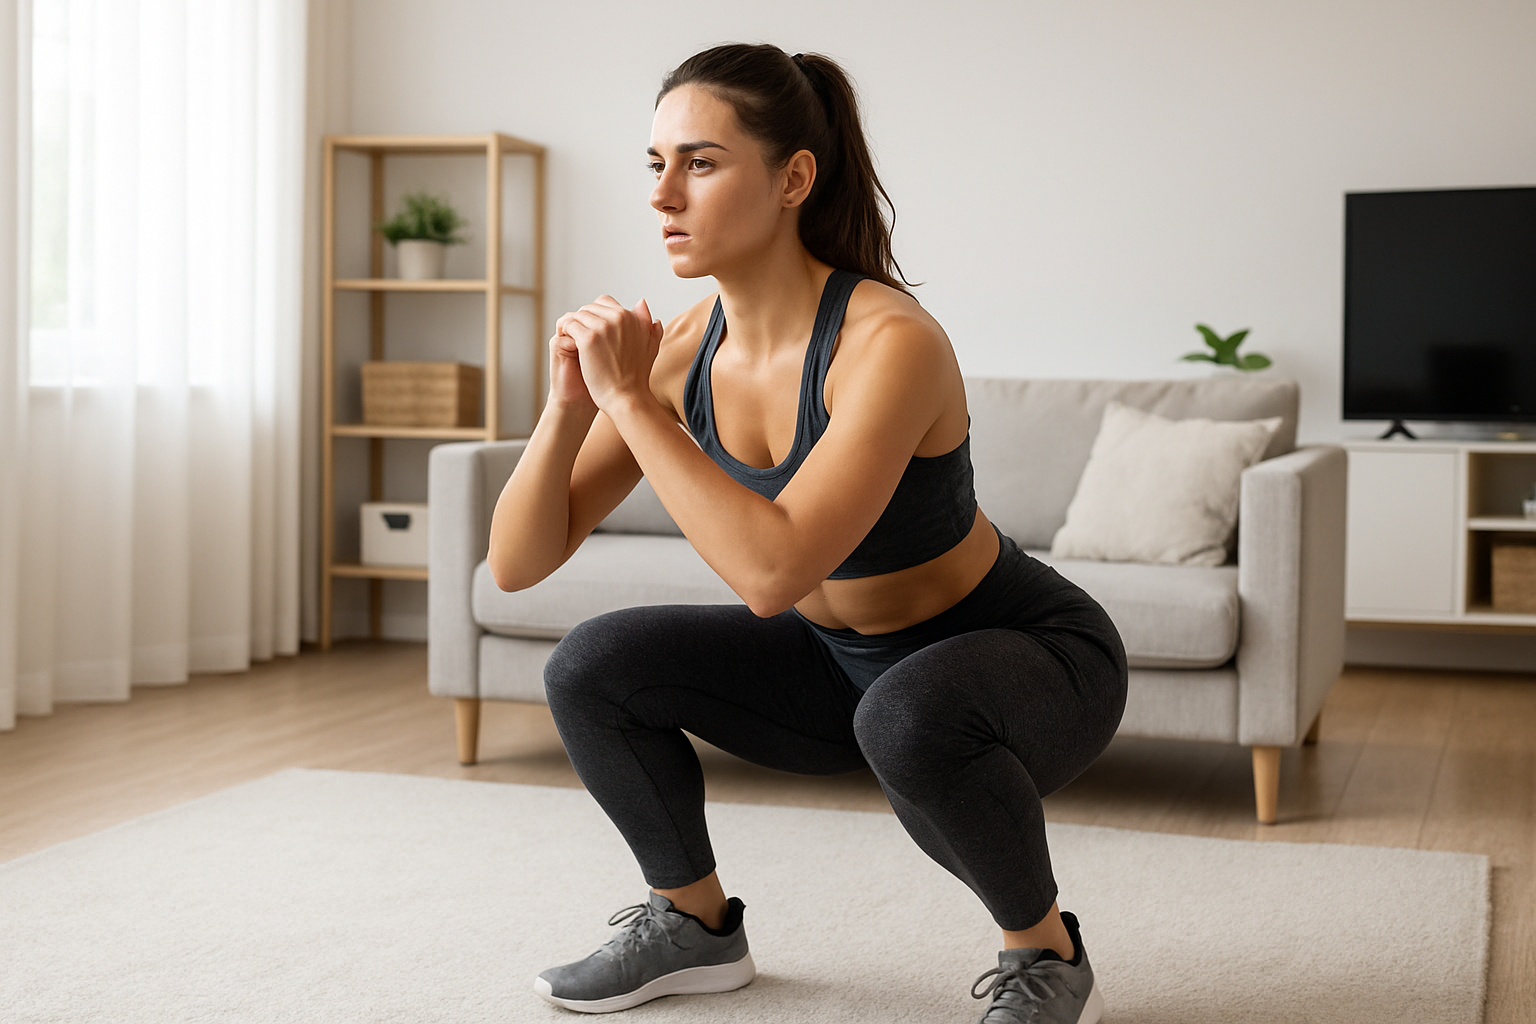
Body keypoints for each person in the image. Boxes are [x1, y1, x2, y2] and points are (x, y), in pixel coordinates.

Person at [487, 42, 1127, 1024]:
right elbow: (518, 563)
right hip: (838, 665)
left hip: (1022, 656)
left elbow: (773, 569)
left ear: (793, 178)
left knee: (908, 716)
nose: (664, 196)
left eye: (699, 163)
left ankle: (1044, 948)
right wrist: (571, 405)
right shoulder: (689, 348)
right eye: (654, 165)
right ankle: (692, 925)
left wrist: (634, 399)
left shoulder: (888, 341)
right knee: (592, 662)